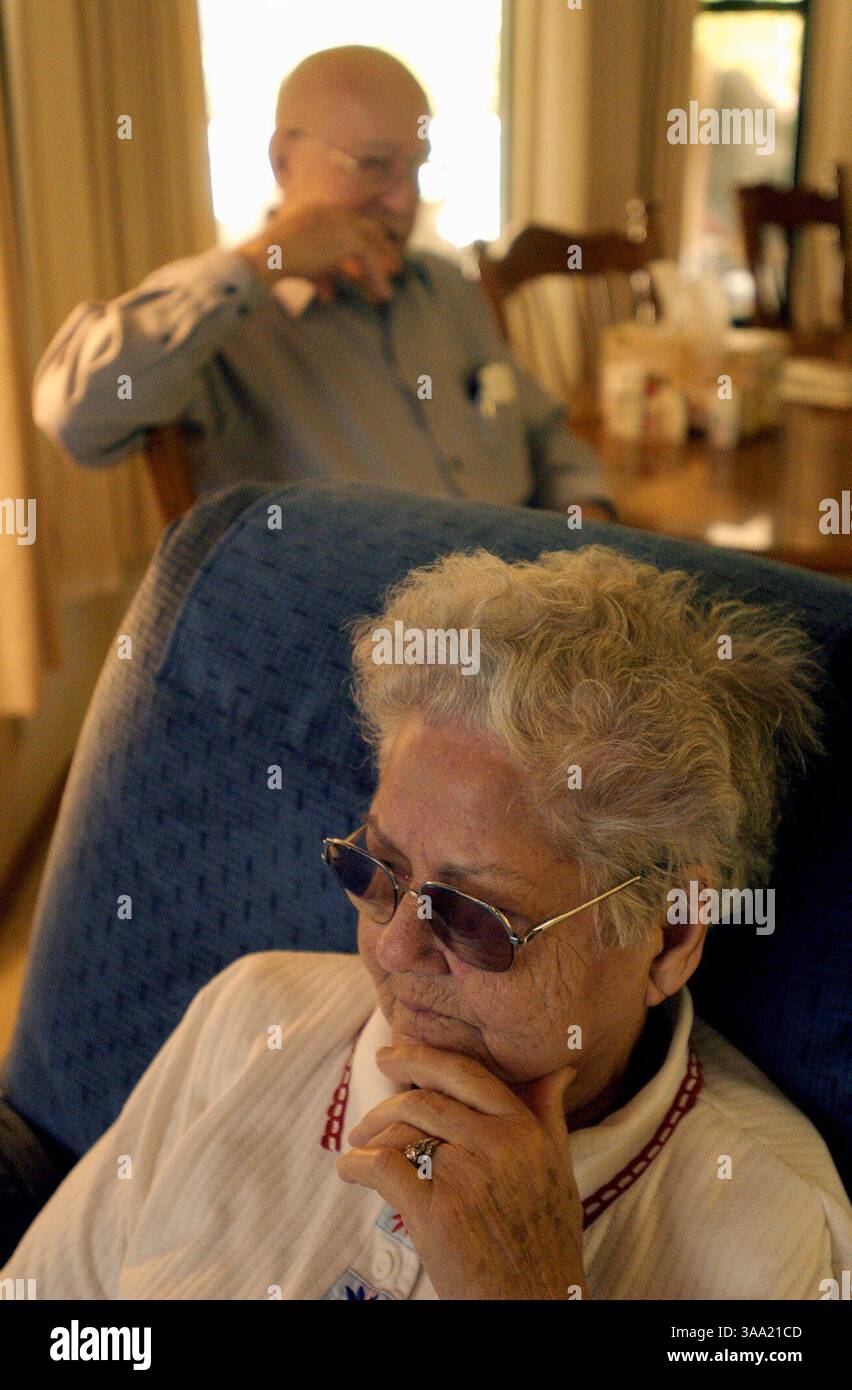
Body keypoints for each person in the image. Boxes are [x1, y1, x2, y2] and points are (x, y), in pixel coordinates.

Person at [2, 543, 849, 1300]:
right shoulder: (249, 1018)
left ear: (670, 935)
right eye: (375, 871)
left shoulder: (775, 1236)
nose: (395, 946)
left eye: (474, 919)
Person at [31, 45, 616, 519]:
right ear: (283, 161)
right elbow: (77, 420)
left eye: (416, 167)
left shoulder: (444, 285)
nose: (403, 200)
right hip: (368, 622)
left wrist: (585, 518)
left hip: (529, 594)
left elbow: (544, 436)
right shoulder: (221, 328)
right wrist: (260, 263)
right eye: (375, 165)